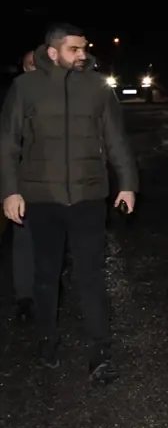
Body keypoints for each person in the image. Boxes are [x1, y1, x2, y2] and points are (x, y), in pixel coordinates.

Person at [0, 24, 137, 382]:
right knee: (45, 276)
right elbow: (8, 143)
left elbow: (115, 138)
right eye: (75, 49)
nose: (82, 55)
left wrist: (128, 184)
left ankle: (100, 352)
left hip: (89, 196)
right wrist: (10, 191)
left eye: (84, 49)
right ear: (53, 52)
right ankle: (46, 340)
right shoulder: (24, 88)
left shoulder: (95, 87)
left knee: (91, 276)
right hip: (41, 198)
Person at [9, 50, 37, 321]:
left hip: (55, 182)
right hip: (23, 181)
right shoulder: (15, 95)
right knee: (24, 238)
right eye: (30, 64)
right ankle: (25, 297)